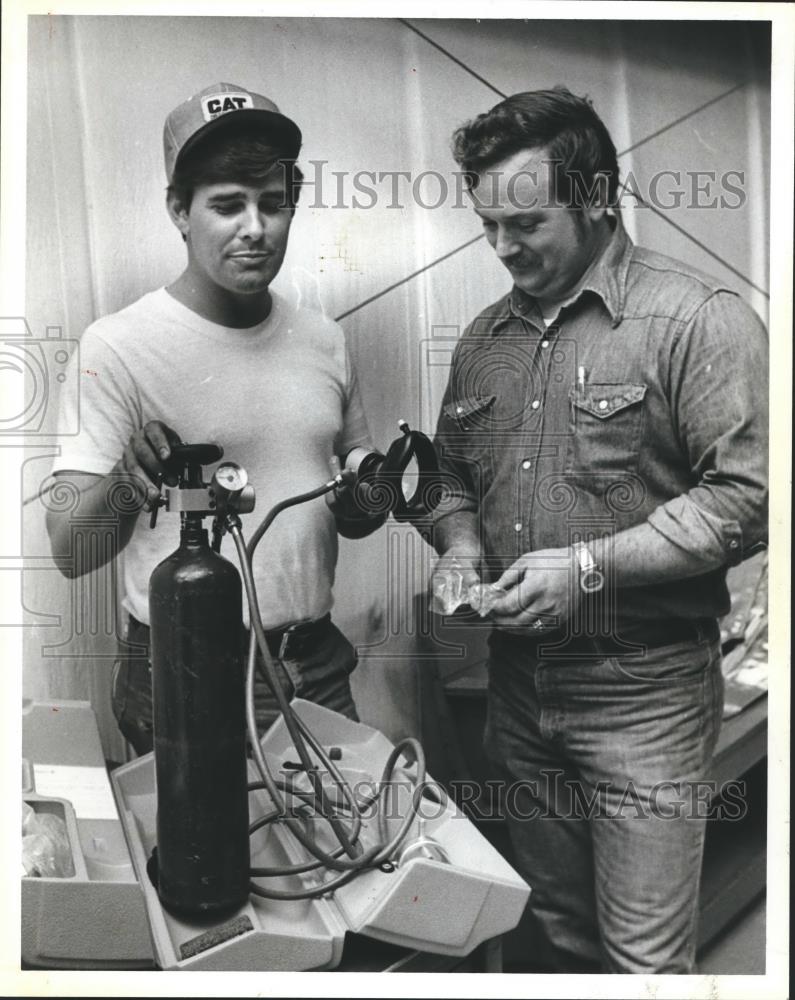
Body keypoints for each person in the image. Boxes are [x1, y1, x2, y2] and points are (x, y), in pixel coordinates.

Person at [430, 87, 768, 974]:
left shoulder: (698, 320)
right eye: (487, 226)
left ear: (593, 199)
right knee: (560, 941)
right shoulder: (482, 339)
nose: (502, 249)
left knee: (644, 962)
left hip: (644, 696)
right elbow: (446, 474)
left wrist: (586, 568)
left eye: (526, 224)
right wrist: (460, 545)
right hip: (515, 688)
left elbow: (748, 496)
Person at [46, 83, 381, 756]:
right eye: (227, 205)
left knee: (342, 854)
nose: (254, 228)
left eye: (273, 204)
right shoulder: (116, 345)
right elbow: (69, 552)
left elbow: (358, 510)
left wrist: (374, 487)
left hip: (313, 665)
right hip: (183, 664)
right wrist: (125, 477)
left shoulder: (324, 339)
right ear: (178, 209)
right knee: (205, 862)